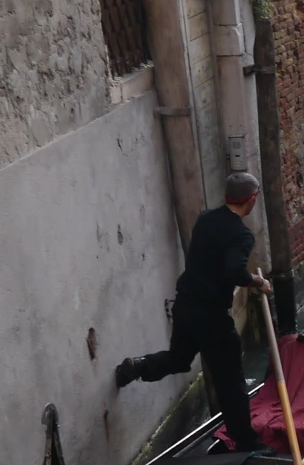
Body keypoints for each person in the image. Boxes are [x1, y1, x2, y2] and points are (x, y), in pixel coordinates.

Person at [115, 172, 272, 450]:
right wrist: (257, 282)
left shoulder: (205, 219)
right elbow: (234, 270)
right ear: (251, 200)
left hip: (185, 304)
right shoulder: (241, 235)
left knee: (179, 358)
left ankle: (137, 366)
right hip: (211, 315)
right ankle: (246, 441)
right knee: (231, 378)